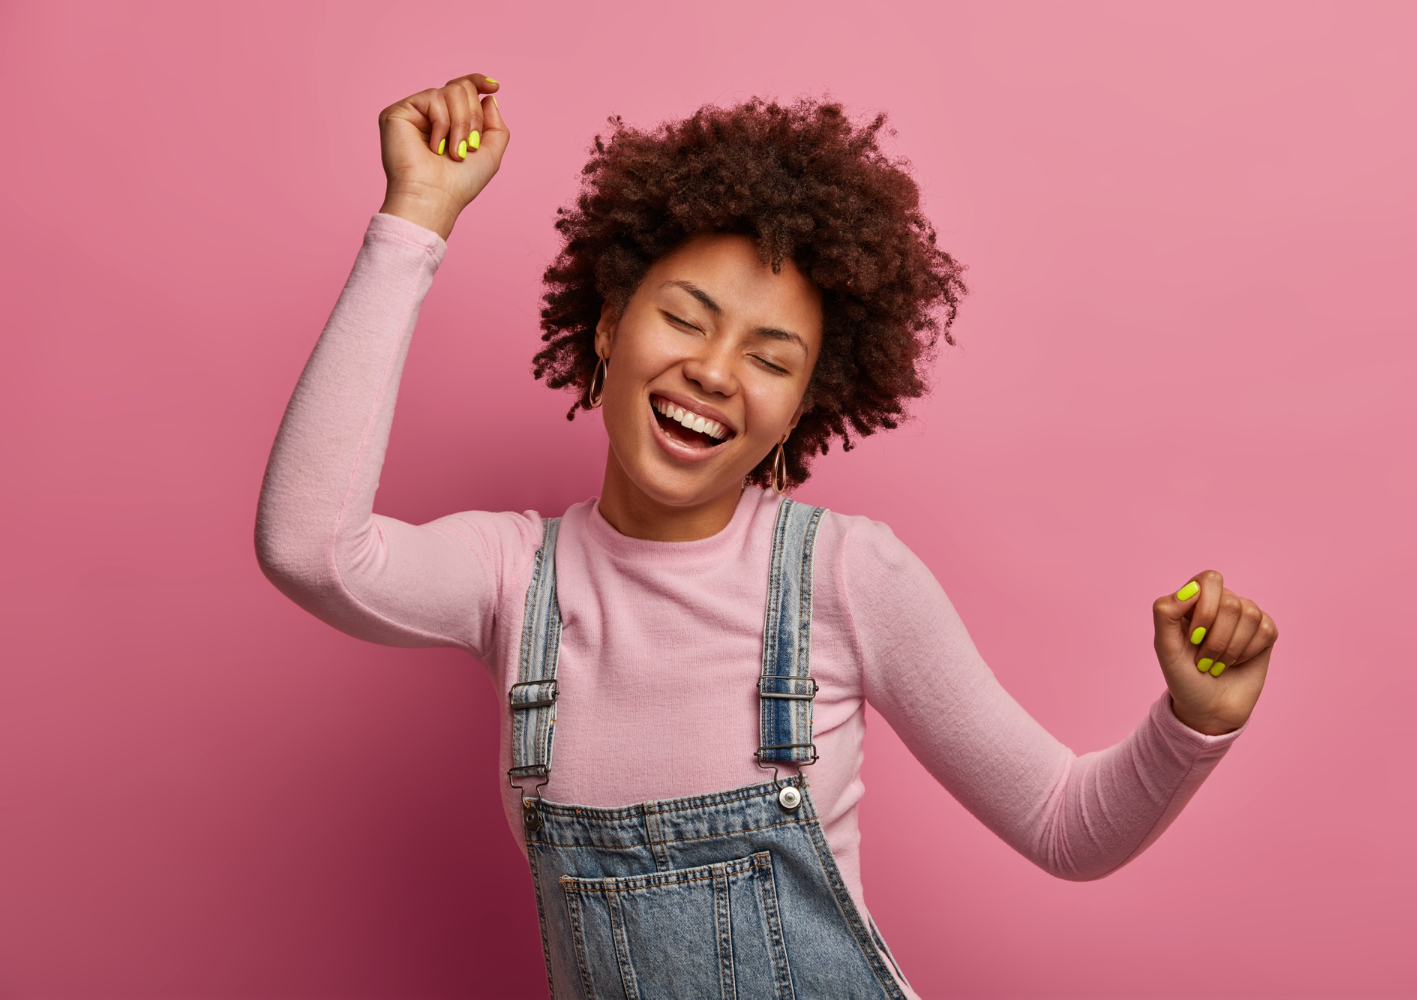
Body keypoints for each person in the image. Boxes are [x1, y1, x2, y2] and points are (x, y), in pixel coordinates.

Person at [254, 73, 1279, 999]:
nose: (714, 370)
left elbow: (1064, 824)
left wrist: (1192, 725)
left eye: (770, 357)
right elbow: (310, 546)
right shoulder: (512, 578)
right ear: (608, 324)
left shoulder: (844, 574)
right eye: (686, 317)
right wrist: (414, 222)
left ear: (800, 410)